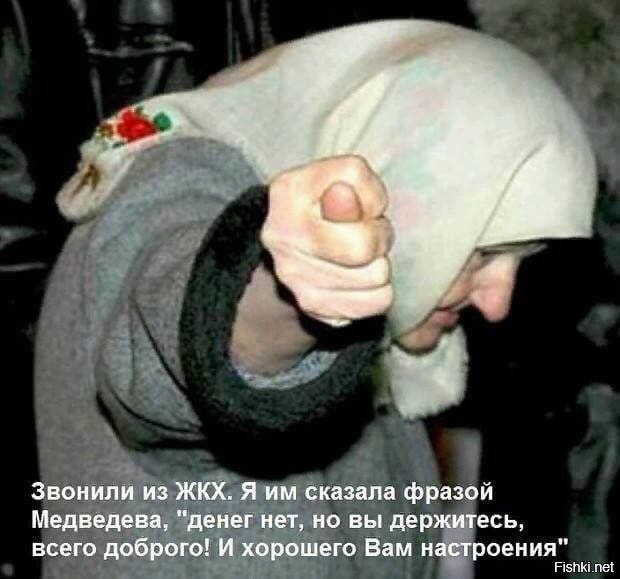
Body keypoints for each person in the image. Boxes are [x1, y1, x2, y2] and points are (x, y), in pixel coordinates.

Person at [35, 20, 596, 578]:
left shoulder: (391, 328)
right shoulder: (177, 186)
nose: (497, 304)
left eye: (519, 260)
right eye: (483, 251)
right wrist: (285, 295)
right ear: (407, 178)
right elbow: (167, 348)